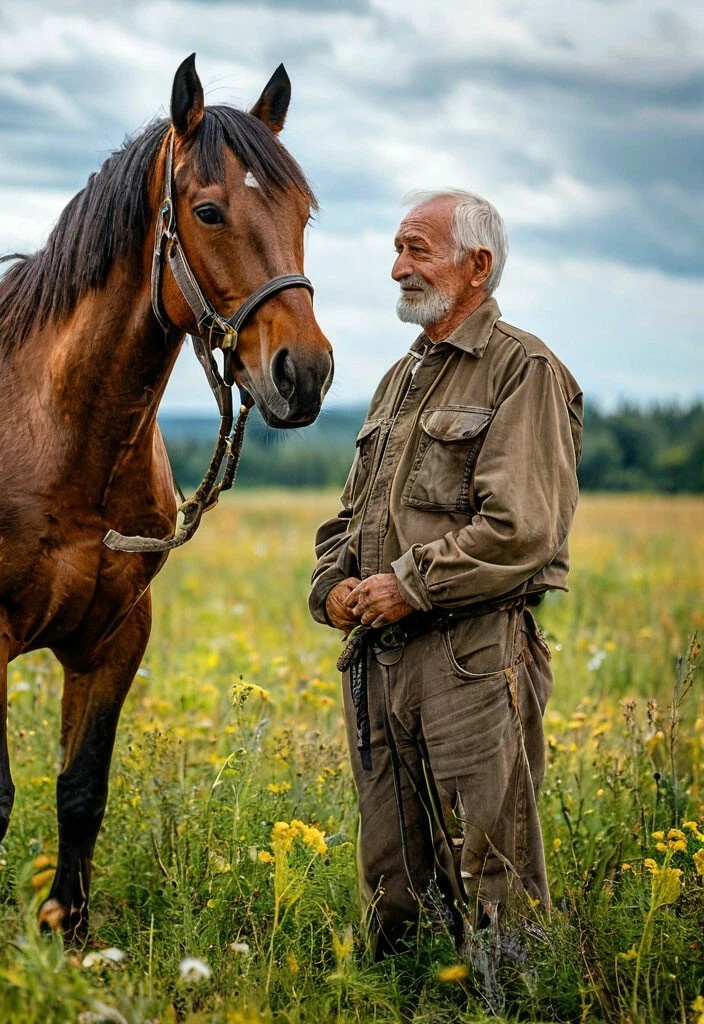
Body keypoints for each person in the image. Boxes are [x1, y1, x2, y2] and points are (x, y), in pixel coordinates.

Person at [309, 188, 582, 955]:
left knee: (495, 875)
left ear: (477, 266)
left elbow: (520, 530)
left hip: (473, 658)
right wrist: (331, 586)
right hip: (380, 658)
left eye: (416, 250)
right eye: (396, 249)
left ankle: (510, 1005)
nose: (397, 267)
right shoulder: (401, 378)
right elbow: (351, 514)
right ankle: (399, 1000)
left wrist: (409, 584)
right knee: (393, 880)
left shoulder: (522, 370)